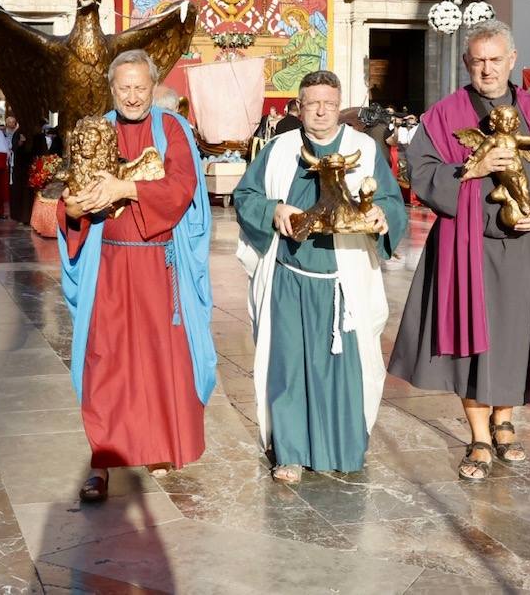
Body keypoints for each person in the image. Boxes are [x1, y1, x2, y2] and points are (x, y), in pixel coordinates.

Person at [388, 20, 530, 481]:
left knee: (515, 336)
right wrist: (469, 172)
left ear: (512, 61)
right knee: (470, 339)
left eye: (496, 60)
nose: (488, 69)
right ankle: (478, 434)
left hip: (523, 247)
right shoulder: (444, 114)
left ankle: (505, 421)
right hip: (465, 249)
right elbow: (420, 170)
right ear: (466, 63)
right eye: (479, 61)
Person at [57, 49, 215, 503]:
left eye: (139, 87)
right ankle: (102, 462)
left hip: (158, 263)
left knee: (158, 358)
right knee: (104, 360)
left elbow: (182, 186)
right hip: (107, 264)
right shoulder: (94, 131)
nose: (131, 96)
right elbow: (74, 191)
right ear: (112, 89)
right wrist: (72, 209)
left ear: (153, 87)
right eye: (123, 87)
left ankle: (157, 446)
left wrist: (127, 187)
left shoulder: (173, 130)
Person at [234, 70, 407, 484]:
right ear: (299, 106)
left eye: (329, 102)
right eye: (312, 103)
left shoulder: (363, 149)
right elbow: (246, 196)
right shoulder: (278, 149)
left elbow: (389, 201)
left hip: (342, 281)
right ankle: (289, 453)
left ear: (339, 103)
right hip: (289, 278)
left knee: (342, 369)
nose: (321, 111)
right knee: (288, 366)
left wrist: (383, 217)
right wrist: (274, 210)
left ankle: (342, 449)